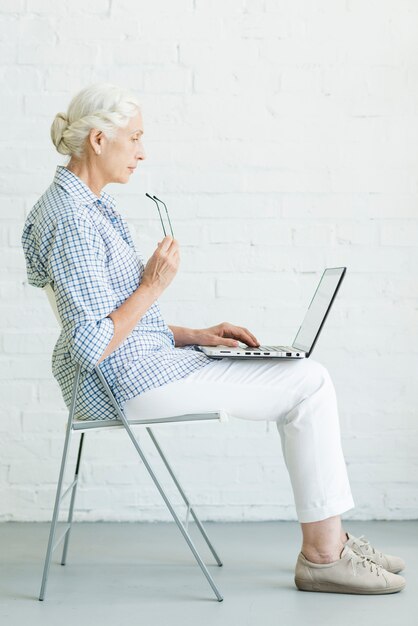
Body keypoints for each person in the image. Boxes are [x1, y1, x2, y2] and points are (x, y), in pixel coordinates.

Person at [21, 83, 405, 595]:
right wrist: (152, 285)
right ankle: (322, 554)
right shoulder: (72, 220)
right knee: (309, 383)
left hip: (142, 363)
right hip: (127, 382)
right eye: (134, 138)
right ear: (97, 140)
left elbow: (109, 320)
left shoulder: (86, 207)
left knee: (305, 377)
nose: (142, 150)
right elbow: (92, 345)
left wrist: (194, 334)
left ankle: (329, 539)